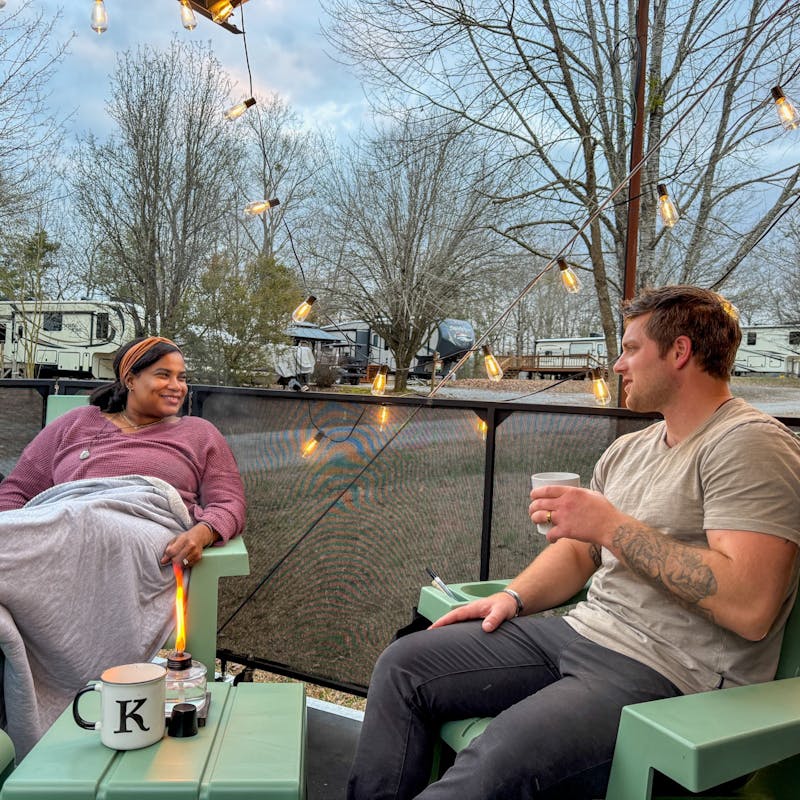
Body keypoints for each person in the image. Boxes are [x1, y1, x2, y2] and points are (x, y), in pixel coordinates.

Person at [347, 286, 800, 800]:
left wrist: (610, 526)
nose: (618, 364)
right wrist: (511, 598)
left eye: (631, 349)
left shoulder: (750, 444)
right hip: (581, 633)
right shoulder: (631, 448)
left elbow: (751, 603)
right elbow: (580, 552)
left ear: (679, 352)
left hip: (669, 673)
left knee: (499, 755)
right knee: (405, 664)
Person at [0, 335, 245, 565]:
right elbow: (16, 491)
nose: (177, 386)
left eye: (181, 377)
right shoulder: (77, 422)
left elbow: (229, 503)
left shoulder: (200, 433)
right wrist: (18, 534)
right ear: (130, 380)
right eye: (163, 375)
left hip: (140, 547)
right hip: (56, 538)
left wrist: (202, 534)